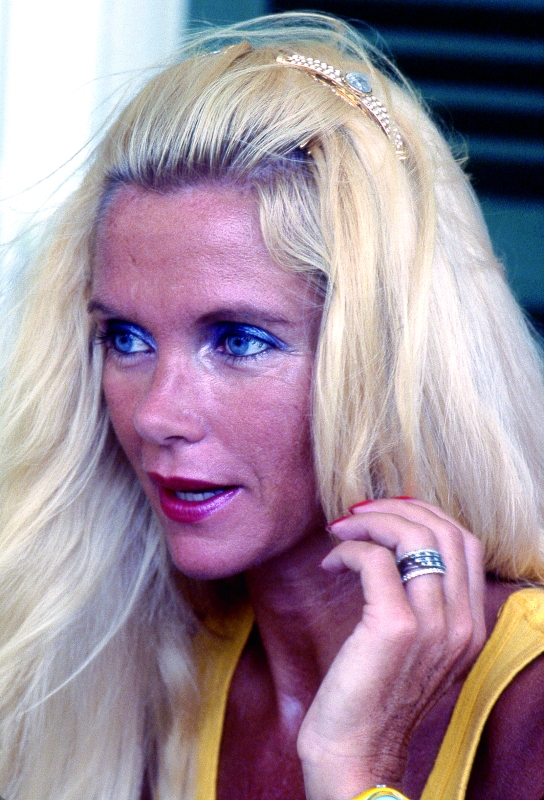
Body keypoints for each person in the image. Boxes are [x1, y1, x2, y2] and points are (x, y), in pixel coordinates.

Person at [1, 11, 544, 800]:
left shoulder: (529, 706)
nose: (156, 416)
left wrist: (354, 772)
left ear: (387, 357)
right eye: (125, 337)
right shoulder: (133, 666)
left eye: (239, 340)